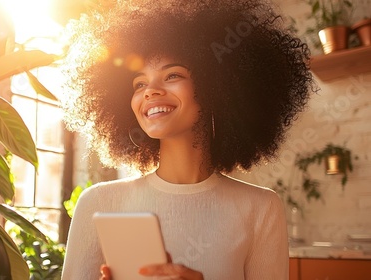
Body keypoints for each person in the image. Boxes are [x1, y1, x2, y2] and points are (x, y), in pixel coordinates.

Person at [60, 0, 314, 279]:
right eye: (139, 83)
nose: (150, 91)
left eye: (172, 75)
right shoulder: (99, 203)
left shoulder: (260, 207)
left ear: (216, 88)